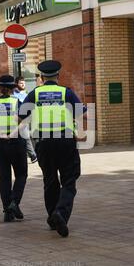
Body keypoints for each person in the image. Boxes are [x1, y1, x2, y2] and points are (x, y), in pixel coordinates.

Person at [20, 60, 86, 237]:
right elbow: (81, 112)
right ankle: (60, 213)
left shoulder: (35, 93)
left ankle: (52, 217)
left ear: (41, 77)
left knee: (50, 180)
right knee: (69, 180)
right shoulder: (66, 92)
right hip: (65, 141)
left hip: (44, 142)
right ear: (58, 76)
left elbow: (21, 114)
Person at [0, 75, 28, 223]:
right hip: (15, 141)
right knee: (21, 174)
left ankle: (7, 212)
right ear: (13, 88)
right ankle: (14, 203)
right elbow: (25, 122)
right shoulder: (18, 102)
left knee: (4, 177)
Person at [13, 76, 37, 164]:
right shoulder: (14, 95)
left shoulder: (26, 93)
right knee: (24, 136)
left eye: (24, 83)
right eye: (21, 83)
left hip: (24, 118)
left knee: (25, 136)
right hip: (16, 118)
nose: (23, 84)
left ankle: (32, 155)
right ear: (16, 84)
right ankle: (33, 155)